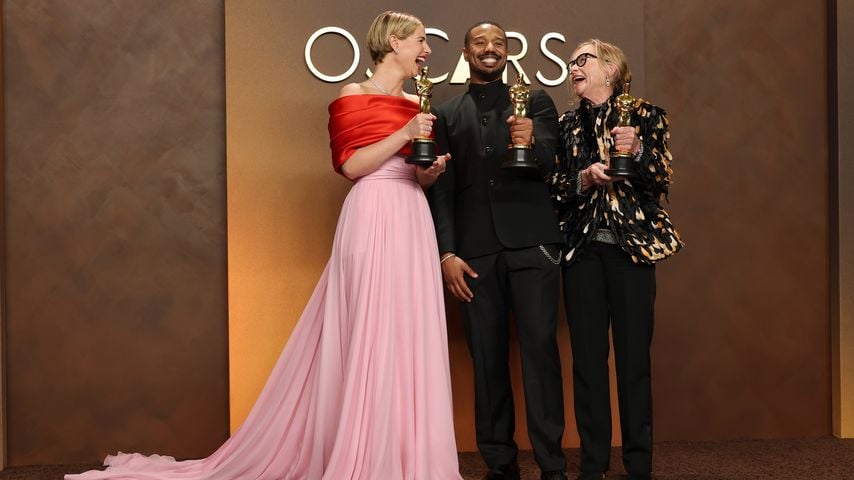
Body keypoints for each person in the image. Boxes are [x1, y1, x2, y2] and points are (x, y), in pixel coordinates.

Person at [66, 11, 462, 480]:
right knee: (370, 324)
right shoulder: (354, 94)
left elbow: (412, 167)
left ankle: (404, 455)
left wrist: (429, 173)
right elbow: (353, 167)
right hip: (373, 212)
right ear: (394, 42)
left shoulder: (418, 99)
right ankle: (363, 454)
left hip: (411, 214)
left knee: (406, 327)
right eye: (420, 40)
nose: (427, 49)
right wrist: (404, 134)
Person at [428, 21, 567, 480]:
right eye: (481, 43)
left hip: (534, 247)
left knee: (540, 354)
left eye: (499, 44)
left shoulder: (536, 101)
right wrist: (447, 253)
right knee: (486, 359)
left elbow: (550, 160)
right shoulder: (446, 113)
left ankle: (552, 466)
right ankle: (500, 464)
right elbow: (441, 190)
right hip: (475, 255)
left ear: (508, 53)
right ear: (466, 52)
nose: (490, 49)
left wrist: (530, 139)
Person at [550, 39, 684, 480]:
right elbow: (554, 188)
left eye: (582, 59)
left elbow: (660, 180)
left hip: (632, 251)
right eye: (571, 62)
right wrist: (583, 179)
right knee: (587, 362)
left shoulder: (646, 115)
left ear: (611, 69)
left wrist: (639, 150)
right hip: (582, 251)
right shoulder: (567, 124)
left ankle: (638, 467)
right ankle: (593, 466)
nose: (574, 66)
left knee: (632, 362)